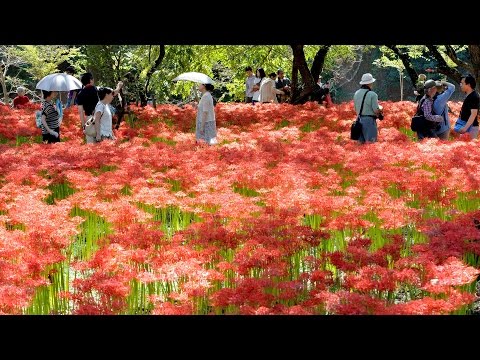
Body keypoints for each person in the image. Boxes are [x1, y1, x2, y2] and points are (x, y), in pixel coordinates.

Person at [76, 72, 122, 143]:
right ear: (90, 80)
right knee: (101, 144)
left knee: (91, 145)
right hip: (101, 118)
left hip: (89, 120)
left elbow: (81, 112)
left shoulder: (80, 94)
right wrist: (119, 86)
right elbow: (112, 93)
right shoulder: (97, 89)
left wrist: (84, 125)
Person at [353, 73, 384, 143]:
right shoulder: (373, 94)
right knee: (371, 145)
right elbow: (376, 110)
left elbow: (355, 108)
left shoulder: (356, 93)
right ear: (370, 83)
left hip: (358, 120)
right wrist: (381, 109)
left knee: (360, 147)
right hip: (369, 121)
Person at [457, 74, 479, 139]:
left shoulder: (474, 96)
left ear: (469, 85)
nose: (460, 85)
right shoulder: (469, 95)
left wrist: (465, 128)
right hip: (466, 126)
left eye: (462, 83)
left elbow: (473, 114)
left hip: (470, 128)